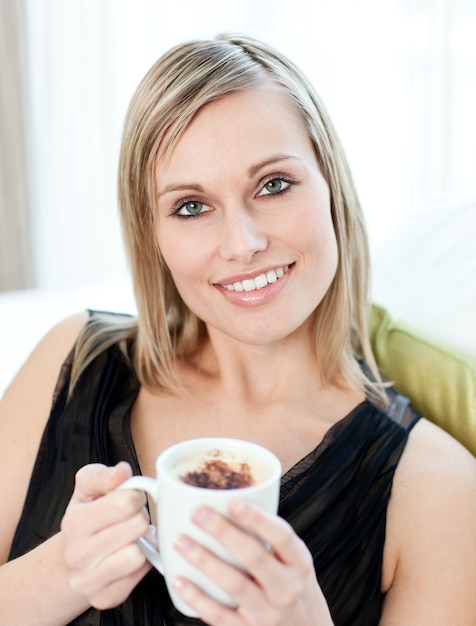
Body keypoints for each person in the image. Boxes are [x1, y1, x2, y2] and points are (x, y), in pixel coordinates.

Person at [1, 33, 475, 626]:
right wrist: (60, 575)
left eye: (274, 184)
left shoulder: (438, 491)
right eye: (191, 206)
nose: (243, 244)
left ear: (331, 187)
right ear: (154, 237)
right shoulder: (70, 360)